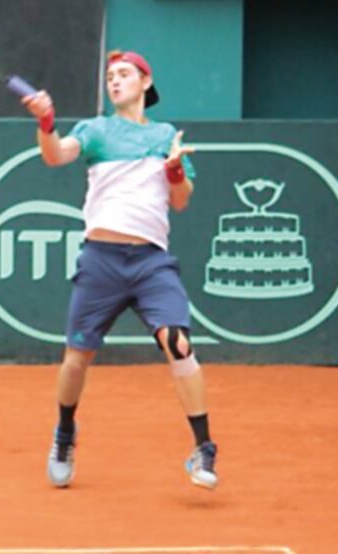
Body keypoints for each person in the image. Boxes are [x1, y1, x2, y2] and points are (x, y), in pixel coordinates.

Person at [21, 50, 217, 490]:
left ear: (146, 83)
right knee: (77, 359)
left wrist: (173, 170)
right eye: (110, 76)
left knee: (178, 342)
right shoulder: (95, 130)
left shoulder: (168, 135)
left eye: (124, 74)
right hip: (101, 260)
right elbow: (55, 156)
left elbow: (182, 199)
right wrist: (46, 123)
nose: (115, 81)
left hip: (151, 262)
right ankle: (65, 432)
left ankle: (204, 448)